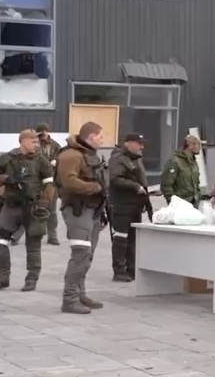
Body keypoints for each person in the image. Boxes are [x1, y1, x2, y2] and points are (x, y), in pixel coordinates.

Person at [0, 129, 56, 292]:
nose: (37, 144)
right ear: (23, 142)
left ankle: (31, 279)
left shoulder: (42, 161)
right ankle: (2, 278)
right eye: (33, 141)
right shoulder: (7, 159)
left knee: (33, 244)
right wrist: (5, 179)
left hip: (33, 208)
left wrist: (44, 203)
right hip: (11, 206)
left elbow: (50, 184)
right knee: (1, 240)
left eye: (37, 142)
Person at [56, 122, 109, 314]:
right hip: (77, 210)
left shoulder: (90, 155)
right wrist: (95, 188)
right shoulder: (71, 155)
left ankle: (80, 293)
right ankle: (69, 300)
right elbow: (69, 181)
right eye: (101, 136)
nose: (103, 140)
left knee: (87, 256)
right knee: (80, 254)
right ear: (92, 136)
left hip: (93, 210)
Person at [107, 133, 149, 283]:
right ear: (128, 143)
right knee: (121, 237)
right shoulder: (118, 158)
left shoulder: (136, 158)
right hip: (121, 205)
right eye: (139, 143)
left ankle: (131, 269)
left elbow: (140, 178)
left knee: (132, 239)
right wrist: (135, 186)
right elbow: (115, 179)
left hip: (135, 205)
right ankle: (118, 270)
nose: (141, 146)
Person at [35, 123, 62, 245]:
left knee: (52, 209)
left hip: (51, 181)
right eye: (40, 133)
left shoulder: (55, 145)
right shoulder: (35, 145)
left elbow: (61, 157)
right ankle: (18, 235)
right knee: (32, 208)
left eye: (44, 132)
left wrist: (56, 161)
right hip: (37, 181)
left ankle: (52, 236)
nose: (43, 135)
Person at [161, 134, 202, 207]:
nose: (200, 148)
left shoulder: (193, 162)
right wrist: (172, 201)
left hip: (194, 203)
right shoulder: (175, 161)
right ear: (190, 145)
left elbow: (196, 182)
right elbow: (166, 184)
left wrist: (199, 195)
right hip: (180, 203)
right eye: (198, 145)